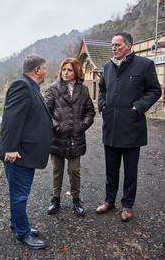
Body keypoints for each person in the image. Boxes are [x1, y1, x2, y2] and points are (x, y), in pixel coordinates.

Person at [96, 32, 162, 222]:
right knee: (111, 169)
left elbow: (155, 90)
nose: (114, 48)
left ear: (129, 46)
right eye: (112, 45)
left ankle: (127, 205)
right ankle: (109, 201)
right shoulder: (108, 67)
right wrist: (102, 105)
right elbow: (102, 89)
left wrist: (138, 107)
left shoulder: (144, 65)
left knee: (130, 170)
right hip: (111, 126)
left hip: (132, 127)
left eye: (118, 45)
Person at [0, 55, 53, 249]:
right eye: (44, 68)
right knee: (19, 195)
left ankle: (16, 223)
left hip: (25, 152)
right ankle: (23, 233)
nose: (46, 71)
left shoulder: (30, 87)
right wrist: (10, 148)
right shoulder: (22, 86)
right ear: (37, 70)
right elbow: (11, 120)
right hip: (19, 154)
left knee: (18, 193)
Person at [44, 58, 95, 217]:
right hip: (57, 137)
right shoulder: (52, 89)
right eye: (63, 69)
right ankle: (56, 199)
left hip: (76, 137)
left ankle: (76, 200)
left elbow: (90, 112)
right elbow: (45, 112)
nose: (65, 73)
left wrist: (83, 125)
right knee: (57, 170)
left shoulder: (84, 90)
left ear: (76, 72)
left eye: (69, 70)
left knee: (74, 171)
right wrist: (56, 127)